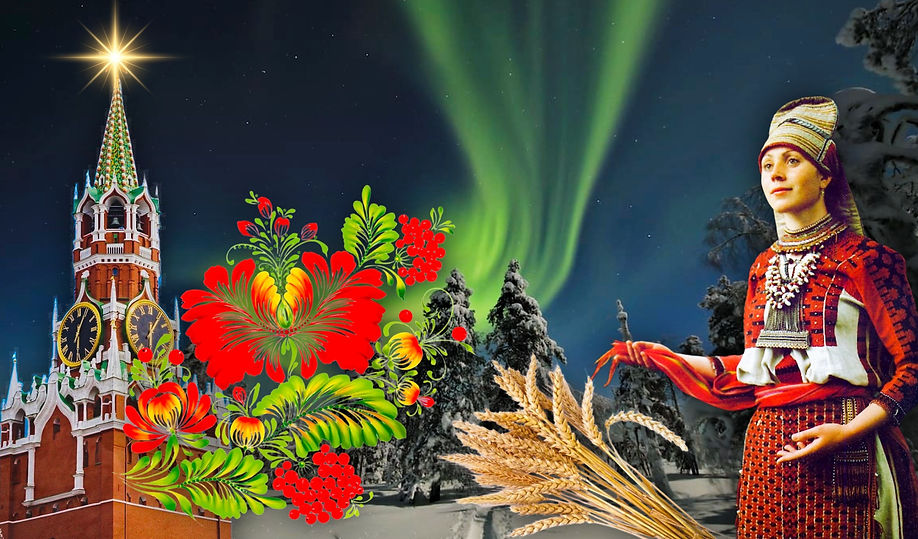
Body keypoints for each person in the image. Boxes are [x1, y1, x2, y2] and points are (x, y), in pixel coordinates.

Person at [604, 96, 918, 538]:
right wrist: (668, 358)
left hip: (846, 448)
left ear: (826, 173)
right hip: (766, 452)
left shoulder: (867, 261)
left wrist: (849, 432)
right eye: (767, 164)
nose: (776, 173)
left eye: (793, 160)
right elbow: (759, 371)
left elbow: (911, 369)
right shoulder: (764, 268)